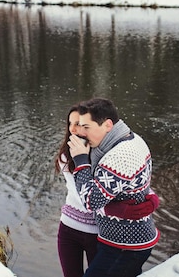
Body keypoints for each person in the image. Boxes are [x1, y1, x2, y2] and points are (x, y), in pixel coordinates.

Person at [55, 104, 159, 277]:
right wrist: (122, 208)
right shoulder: (73, 154)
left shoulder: (111, 151)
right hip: (76, 227)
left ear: (107, 125)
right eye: (71, 124)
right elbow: (88, 199)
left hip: (109, 237)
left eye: (83, 125)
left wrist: (149, 196)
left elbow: (126, 178)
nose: (76, 129)